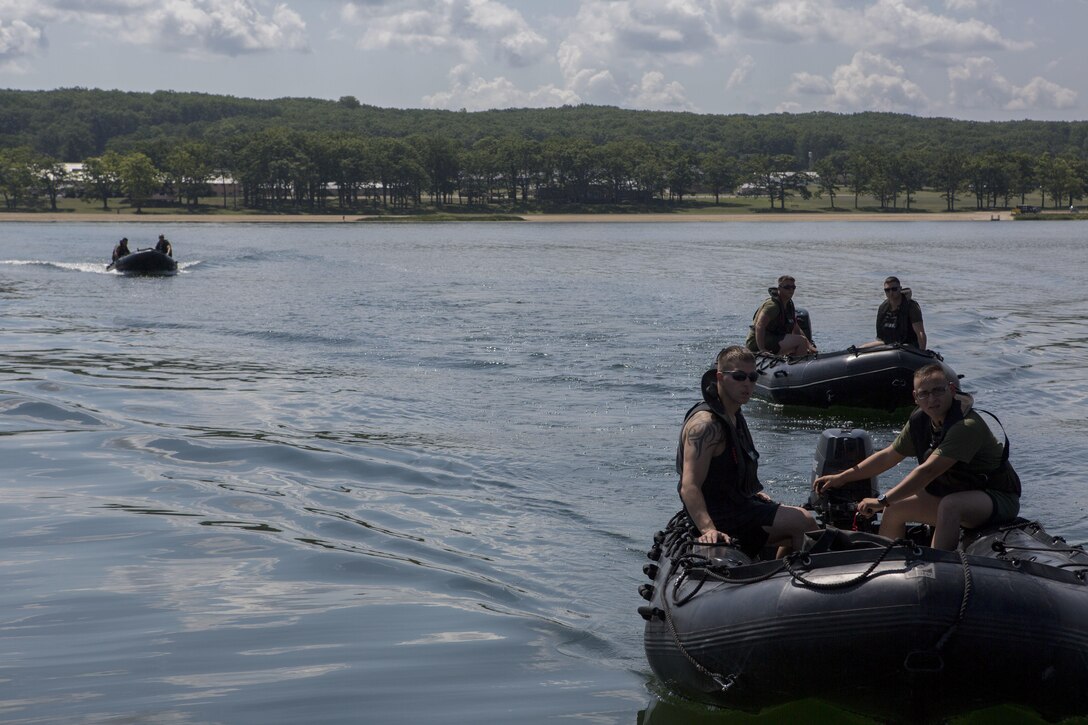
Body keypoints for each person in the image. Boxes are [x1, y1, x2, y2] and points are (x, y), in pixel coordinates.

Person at [813, 363, 1021, 550]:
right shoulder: (921, 421)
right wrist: (842, 477)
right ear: (915, 397)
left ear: (951, 389)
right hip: (953, 492)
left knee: (950, 505)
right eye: (925, 394)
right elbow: (888, 456)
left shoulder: (967, 427)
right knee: (895, 509)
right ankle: (885, 565)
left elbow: (927, 471)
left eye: (938, 391)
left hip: (994, 497)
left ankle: (937, 568)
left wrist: (881, 500)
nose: (932, 399)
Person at [677, 345, 818, 558]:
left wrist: (750, 494)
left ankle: (780, 576)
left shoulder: (733, 413)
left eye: (752, 377)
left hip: (737, 504)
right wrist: (708, 529)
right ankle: (793, 578)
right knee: (804, 522)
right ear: (720, 377)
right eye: (739, 377)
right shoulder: (706, 426)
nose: (747, 384)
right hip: (721, 515)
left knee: (801, 521)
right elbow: (689, 486)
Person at [745, 275, 818, 357]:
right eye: (787, 287)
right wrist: (762, 349)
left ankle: (794, 360)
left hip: (774, 338)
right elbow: (760, 326)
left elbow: (795, 328)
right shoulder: (772, 306)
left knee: (802, 341)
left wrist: (809, 346)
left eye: (793, 287)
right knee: (801, 341)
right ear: (779, 288)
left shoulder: (788, 304)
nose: (791, 290)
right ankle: (798, 366)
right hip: (757, 342)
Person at [861, 276, 926, 350]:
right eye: (887, 290)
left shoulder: (911, 307)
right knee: (860, 349)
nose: (891, 292)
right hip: (889, 344)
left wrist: (922, 352)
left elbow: (920, 332)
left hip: (908, 346)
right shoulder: (883, 308)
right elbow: (881, 339)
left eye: (894, 289)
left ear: (900, 289)